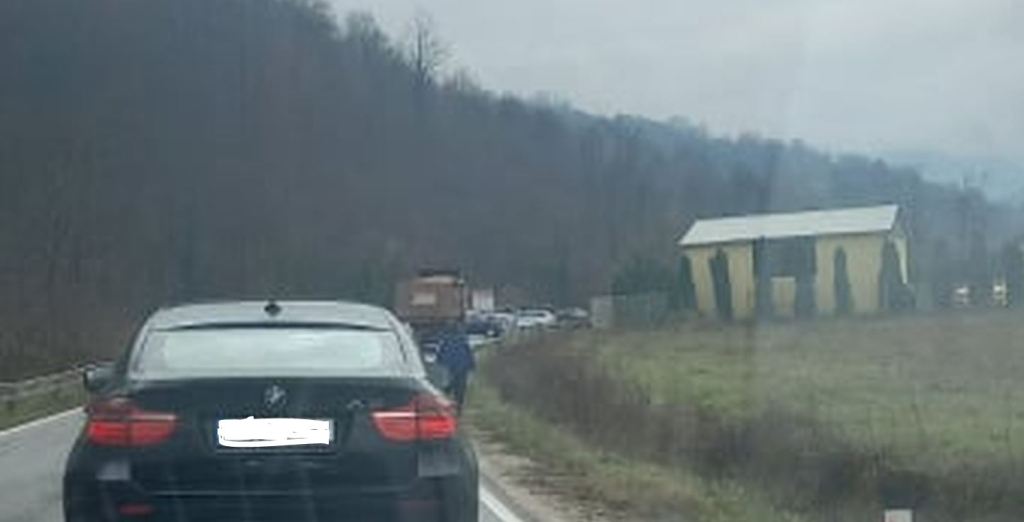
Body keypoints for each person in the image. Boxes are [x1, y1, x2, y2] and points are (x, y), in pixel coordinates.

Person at [435, 320, 475, 414]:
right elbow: (469, 355)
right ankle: (458, 409)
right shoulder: (463, 341)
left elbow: (439, 357)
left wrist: (439, 366)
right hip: (461, 369)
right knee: (459, 391)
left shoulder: (446, 341)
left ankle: (444, 408)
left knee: (446, 389)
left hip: (449, 369)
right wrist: (471, 366)